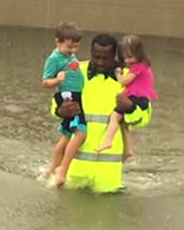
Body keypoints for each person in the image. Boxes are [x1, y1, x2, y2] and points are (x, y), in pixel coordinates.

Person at [53, 34, 152, 192]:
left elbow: (144, 117)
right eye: (96, 56)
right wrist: (61, 110)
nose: (100, 62)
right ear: (90, 52)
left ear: (115, 55)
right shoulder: (75, 70)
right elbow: (56, 103)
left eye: (105, 58)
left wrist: (130, 107)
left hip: (108, 176)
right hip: (74, 171)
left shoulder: (129, 77)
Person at [95, 35, 158, 157]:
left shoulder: (138, 67)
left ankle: (108, 141)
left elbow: (124, 82)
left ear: (139, 53)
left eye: (130, 57)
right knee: (124, 123)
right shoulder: (145, 65)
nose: (127, 61)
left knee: (114, 117)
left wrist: (118, 74)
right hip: (141, 97)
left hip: (137, 97)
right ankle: (128, 149)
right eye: (125, 58)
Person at [41, 22, 87, 183]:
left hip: (76, 94)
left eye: (76, 48)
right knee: (81, 132)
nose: (72, 51)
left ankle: (52, 168)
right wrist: (57, 80)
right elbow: (45, 82)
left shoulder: (68, 56)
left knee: (67, 135)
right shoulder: (54, 59)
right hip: (68, 97)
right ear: (58, 42)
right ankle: (62, 169)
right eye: (69, 48)